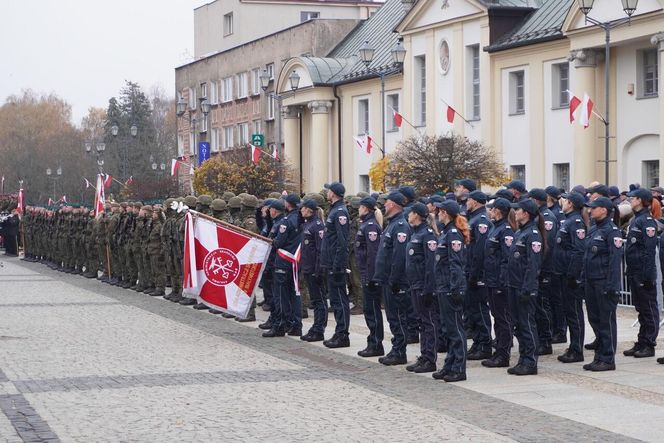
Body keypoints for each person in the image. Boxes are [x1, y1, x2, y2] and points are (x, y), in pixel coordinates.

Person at [582, 196, 623, 371]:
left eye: (594, 207)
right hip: (591, 281)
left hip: (603, 282)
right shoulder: (594, 229)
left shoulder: (611, 231)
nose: (590, 210)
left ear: (604, 210)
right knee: (595, 319)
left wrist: (612, 286)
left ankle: (608, 358)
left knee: (606, 321)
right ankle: (599, 356)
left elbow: (615, 261)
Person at [431, 199, 469, 382]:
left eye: (440, 211)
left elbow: (456, 264)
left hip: (450, 287)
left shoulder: (453, 233)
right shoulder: (446, 232)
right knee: (449, 329)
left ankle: (459, 368)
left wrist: (455, 288)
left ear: (445, 213)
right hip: (444, 286)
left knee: (455, 329)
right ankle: (449, 365)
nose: (438, 214)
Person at [506, 199, 544, 376]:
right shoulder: (521, 232)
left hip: (524, 287)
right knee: (518, 325)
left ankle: (530, 362)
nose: (515, 212)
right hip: (514, 285)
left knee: (527, 324)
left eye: (518, 210)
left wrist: (528, 288)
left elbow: (533, 264)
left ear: (526, 213)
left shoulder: (533, 234)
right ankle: (523, 358)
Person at [374, 191, 411, 365]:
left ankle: (400, 351)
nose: (385, 205)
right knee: (392, 317)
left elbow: (400, 256)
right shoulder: (392, 224)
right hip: (388, 279)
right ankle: (396, 348)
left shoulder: (401, 225)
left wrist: (395, 279)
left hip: (395, 280)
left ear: (394, 204)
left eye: (387, 202)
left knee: (398, 317)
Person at [623, 188, 658, 359]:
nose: (630, 200)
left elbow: (649, 250)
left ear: (641, 200)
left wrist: (646, 275)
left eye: (633, 198)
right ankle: (642, 341)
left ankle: (649, 343)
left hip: (644, 273)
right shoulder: (636, 219)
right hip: (634, 271)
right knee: (641, 309)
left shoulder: (647, 221)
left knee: (649, 309)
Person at [404, 202, 438, 373]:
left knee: (428, 322)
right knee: (421, 322)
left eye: (410, 213)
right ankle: (424, 355)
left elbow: (431, 265)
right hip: (415, 284)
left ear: (416, 215)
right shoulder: (416, 233)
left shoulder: (427, 235)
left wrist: (428, 288)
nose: (408, 215)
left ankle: (430, 358)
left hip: (424, 286)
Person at [554, 192, 587, 364]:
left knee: (574, 313)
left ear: (571, 204)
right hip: (563, 272)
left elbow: (579, 250)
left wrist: (573, 274)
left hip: (570, 275)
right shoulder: (568, 220)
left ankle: (577, 349)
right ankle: (573, 346)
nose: (563, 203)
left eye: (566, 200)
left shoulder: (575, 222)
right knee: (569, 312)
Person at [482, 197, 514, 368]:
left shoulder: (505, 230)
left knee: (503, 319)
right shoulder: (496, 228)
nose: (490, 211)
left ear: (498, 211)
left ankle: (503, 354)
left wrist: (502, 282)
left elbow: (506, 259)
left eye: (492, 209)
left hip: (499, 282)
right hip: (491, 280)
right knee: (498, 317)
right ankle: (499, 351)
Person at [320, 182, 352, 348]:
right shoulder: (333, 209)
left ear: (333, 193)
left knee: (340, 300)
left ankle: (343, 335)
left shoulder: (340, 212)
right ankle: (339, 332)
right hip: (330, 261)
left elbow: (342, 241)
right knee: (335, 300)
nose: (327, 192)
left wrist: (338, 265)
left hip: (336, 264)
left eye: (328, 190)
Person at [529, 188, 559, 356]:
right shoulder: (539, 216)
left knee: (542, 306)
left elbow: (547, 245)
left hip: (544, 268)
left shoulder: (547, 217)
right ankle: (541, 338)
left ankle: (546, 340)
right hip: (539, 268)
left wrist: (540, 268)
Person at [465, 190, 493, 360]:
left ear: (474, 202)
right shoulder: (474, 218)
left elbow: (480, 250)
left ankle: (485, 344)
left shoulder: (481, 220)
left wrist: (475, 274)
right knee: (472, 309)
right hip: (470, 270)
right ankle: (478, 341)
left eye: (468, 200)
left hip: (478, 273)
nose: (466, 203)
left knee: (480, 310)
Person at [355, 197, 384, 357]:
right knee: (369, 310)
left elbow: (373, 255)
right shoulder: (366, 224)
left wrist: (371, 277)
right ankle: (373, 341)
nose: (358, 209)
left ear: (365, 209)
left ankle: (376, 343)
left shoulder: (371, 226)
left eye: (360, 207)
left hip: (371, 275)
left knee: (372, 310)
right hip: (366, 274)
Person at [299, 198, 327, 342]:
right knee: (315, 300)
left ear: (309, 210)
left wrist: (318, 269)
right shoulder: (307, 224)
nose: (301, 210)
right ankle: (315, 328)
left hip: (315, 269)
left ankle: (319, 329)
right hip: (308, 267)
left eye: (303, 208)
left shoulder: (317, 226)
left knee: (319, 300)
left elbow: (320, 250)